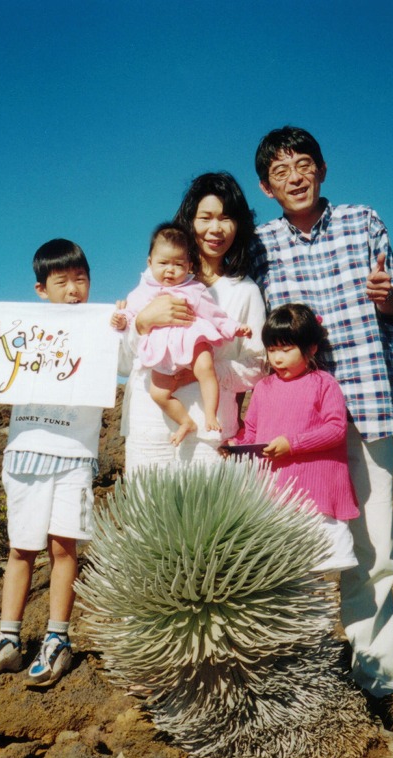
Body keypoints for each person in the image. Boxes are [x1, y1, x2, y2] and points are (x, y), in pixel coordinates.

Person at [251, 126, 393, 699]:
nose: (294, 177)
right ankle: (305, 672)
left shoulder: (362, 221)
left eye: (303, 164)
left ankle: (374, 675)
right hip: (294, 426)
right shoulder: (260, 244)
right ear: (266, 188)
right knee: (295, 549)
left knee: (373, 548)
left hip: (364, 404)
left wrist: (390, 296)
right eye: (280, 171)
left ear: (321, 168)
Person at [0, 239, 108, 688]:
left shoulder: (103, 328)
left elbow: (129, 355)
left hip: (75, 456)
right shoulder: (22, 326)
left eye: (81, 279)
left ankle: (57, 637)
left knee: (64, 549)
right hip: (26, 454)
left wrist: (124, 324)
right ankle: (8, 637)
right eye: (62, 281)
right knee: (20, 548)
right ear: (41, 289)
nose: (74, 289)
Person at [121, 172, 266, 472]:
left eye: (226, 218)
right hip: (149, 423)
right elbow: (123, 361)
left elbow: (257, 366)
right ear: (190, 221)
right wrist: (141, 323)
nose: (216, 229)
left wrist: (199, 371)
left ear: (239, 225)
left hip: (208, 430)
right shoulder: (152, 282)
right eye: (205, 218)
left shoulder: (245, 290)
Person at [228, 303, 359, 573]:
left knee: (320, 572)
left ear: (311, 348)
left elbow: (336, 429)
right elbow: (251, 432)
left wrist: (292, 444)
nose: (277, 359)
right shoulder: (263, 388)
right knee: (283, 574)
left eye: (286, 350)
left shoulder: (324, 384)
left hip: (316, 496)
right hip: (273, 495)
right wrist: (236, 447)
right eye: (272, 350)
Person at [112, 222, 251, 446]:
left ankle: (210, 414)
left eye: (178, 264)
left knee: (206, 369)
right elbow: (132, 315)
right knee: (158, 393)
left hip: (192, 339)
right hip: (163, 350)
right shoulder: (142, 291)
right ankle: (185, 421)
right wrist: (122, 320)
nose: (170, 270)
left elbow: (215, 314)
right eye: (163, 263)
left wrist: (235, 327)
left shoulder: (194, 289)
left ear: (189, 266)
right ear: (149, 263)